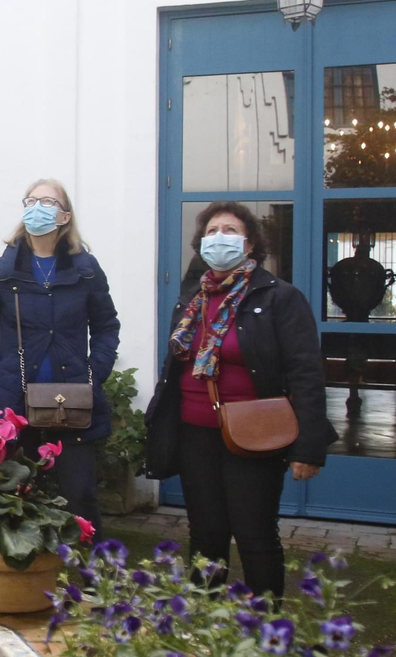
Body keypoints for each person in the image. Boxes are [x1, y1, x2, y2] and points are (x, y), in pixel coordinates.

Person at [143, 201, 334, 597]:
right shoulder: (193, 299)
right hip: (196, 433)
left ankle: (265, 632)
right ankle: (203, 621)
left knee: (255, 534)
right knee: (206, 534)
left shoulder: (279, 297)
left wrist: (309, 446)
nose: (219, 238)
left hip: (255, 436)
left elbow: (306, 374)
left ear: (249, 246)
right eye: (211, 232)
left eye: (229, 230)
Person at [0, 179, 118, 527]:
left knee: (81, 499)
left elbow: (107, 326)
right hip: (13, 401)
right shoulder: (4, 270)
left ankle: (85, 576)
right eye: (31, 200)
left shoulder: (85, 269)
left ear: (64, 216)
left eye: (48, 201)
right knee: (11, 497)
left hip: (73, 399)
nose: (37, 207)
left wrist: (96, 372)